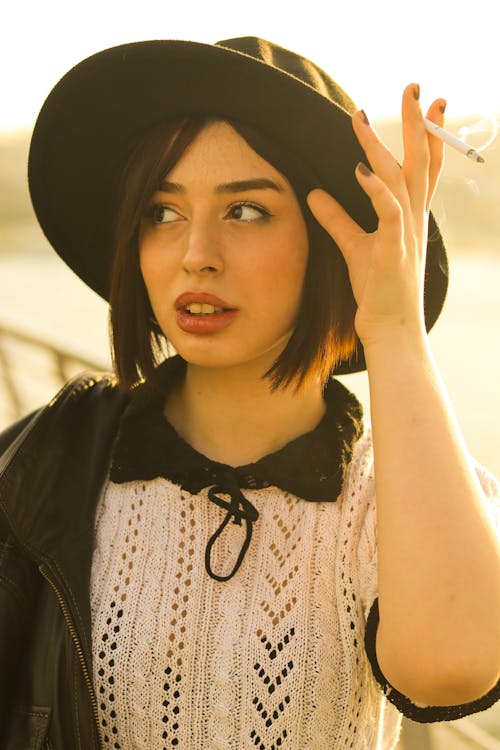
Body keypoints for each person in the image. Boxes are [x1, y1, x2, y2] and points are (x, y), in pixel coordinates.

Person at [0, 36, 499, 750]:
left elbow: (450, 672)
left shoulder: (389, 495)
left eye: (246, 212)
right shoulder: (49, 462)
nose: (195, 252)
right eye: (162, 212)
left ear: (330, 243)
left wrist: (395, 329)